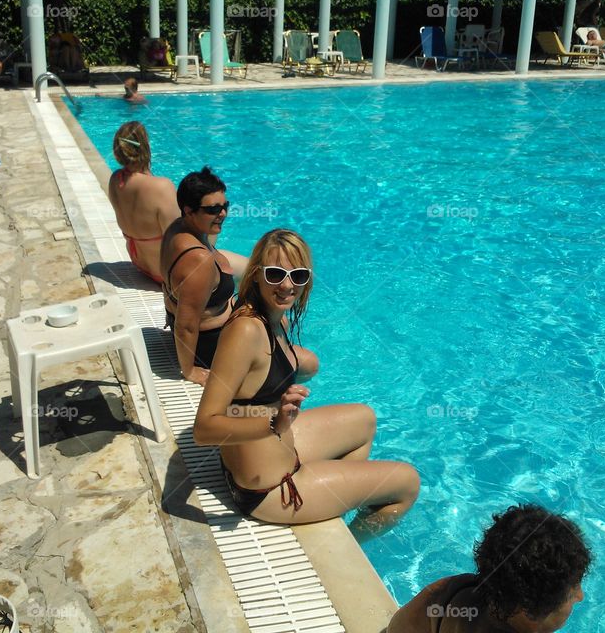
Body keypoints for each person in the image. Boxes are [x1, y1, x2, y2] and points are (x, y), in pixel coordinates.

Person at [193, 229, 420, 537]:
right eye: (275, 274)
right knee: (407, 483)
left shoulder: (274, 319)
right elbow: (204, 428)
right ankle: (350, 539)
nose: (287, 285)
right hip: (270, 491)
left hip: (279, 455)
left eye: (297, 276)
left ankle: (335, 499)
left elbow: (255, 384)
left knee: (364, 419)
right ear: (256, 275)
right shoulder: (246, 331)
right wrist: (273, 423)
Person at [386, 503, 592, 633]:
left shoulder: (452, 591)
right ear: (529, 612)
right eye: (572, 592)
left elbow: (396, 627)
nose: (580, 596)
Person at [160, 167, 237, 385]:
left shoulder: (177, 227)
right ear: (189, 211)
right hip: (210, 346)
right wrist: (189, 371)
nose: (222, 214)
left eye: (225, 206)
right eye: (213, 209)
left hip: (206, 330)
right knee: (306, 363)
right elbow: (186, 325)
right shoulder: (198, 261)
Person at [108, 121, 179, 283]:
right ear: (145, 147)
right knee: (242, 266)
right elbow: (178, 241)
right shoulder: (161, 187)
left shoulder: (116, 180)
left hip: (141, 266)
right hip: (168, 274)